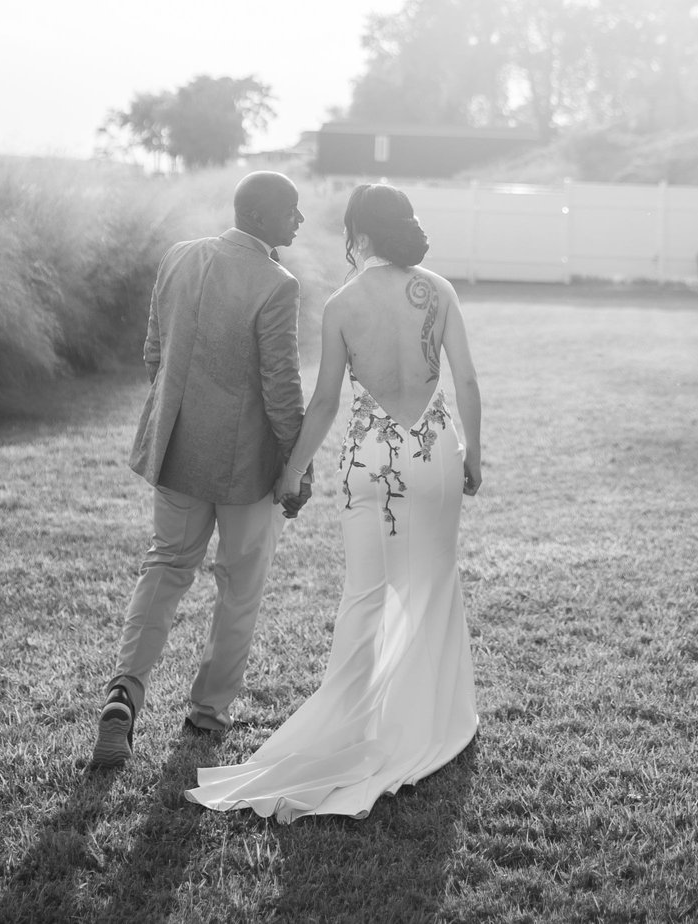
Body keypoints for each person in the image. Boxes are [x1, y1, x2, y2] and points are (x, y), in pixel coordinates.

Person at [185, 181, 482, 822]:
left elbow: (323, 402)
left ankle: (351, 719)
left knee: (366, 595)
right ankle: (428, 719)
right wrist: (475, 456)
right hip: (434, 452)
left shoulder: (343, 304)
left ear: (361, 235)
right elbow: (466, 380)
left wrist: (292, 472)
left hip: (371, 461)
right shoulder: (440, 291)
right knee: (433, 581)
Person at [90, 171, 313, 768]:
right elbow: (281, 386)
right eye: (291, 210)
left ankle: (124, 693)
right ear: (259, 216)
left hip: (177, 452)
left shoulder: (178, 256)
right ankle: (208, 711)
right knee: (239, 586)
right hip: (247, 468)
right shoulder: (277, 283)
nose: (299, 221)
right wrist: (297, 466)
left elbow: (154, 353)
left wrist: (179, 420)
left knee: (165, 567)